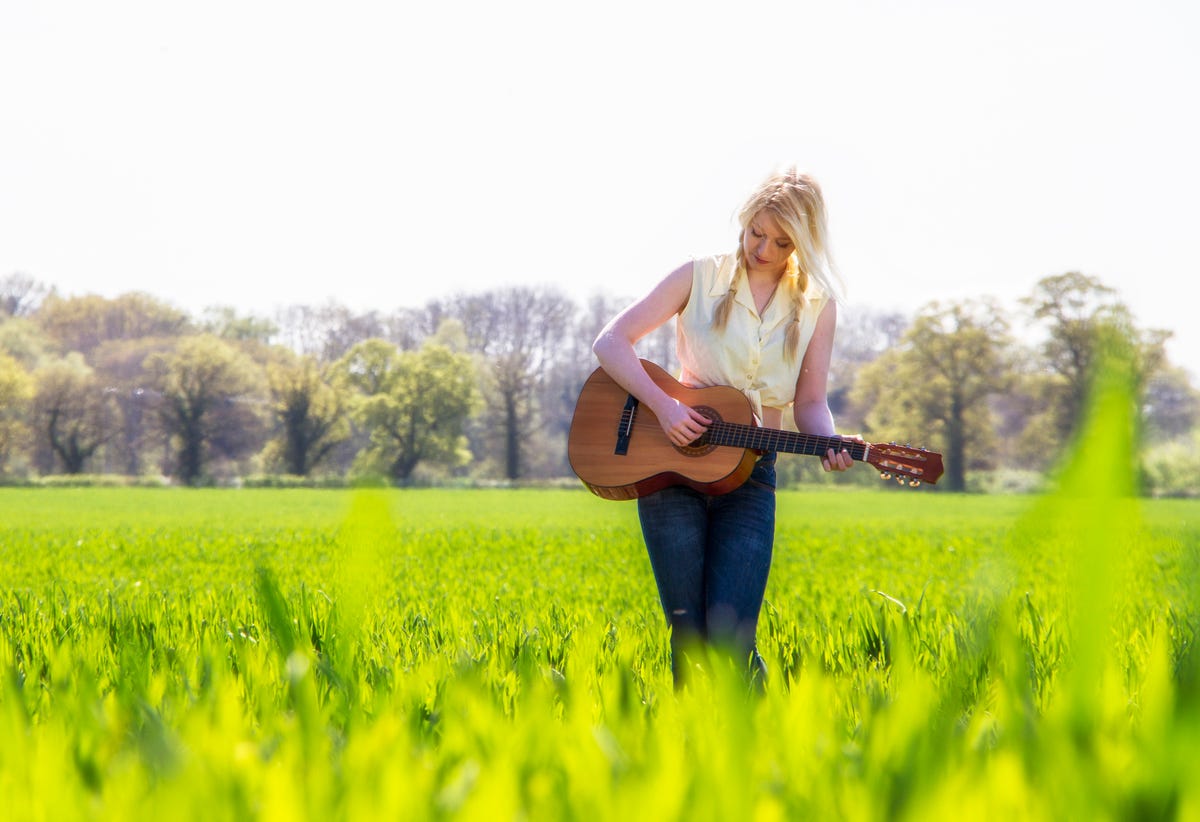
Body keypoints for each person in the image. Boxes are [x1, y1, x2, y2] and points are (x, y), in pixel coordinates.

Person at [591, 165, 855, 688]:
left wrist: (829, 438)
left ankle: (754, 749)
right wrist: (665, 407)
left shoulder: (817, 307)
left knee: (733, 641)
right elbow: (611, 343)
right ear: (745, 219)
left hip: (752, 480)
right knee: (689, 639)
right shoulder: (697, 276)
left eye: (781, 242)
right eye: (756, 232)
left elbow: (810, 403)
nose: (763, 249)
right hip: (673, 473)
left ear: (803, 243)